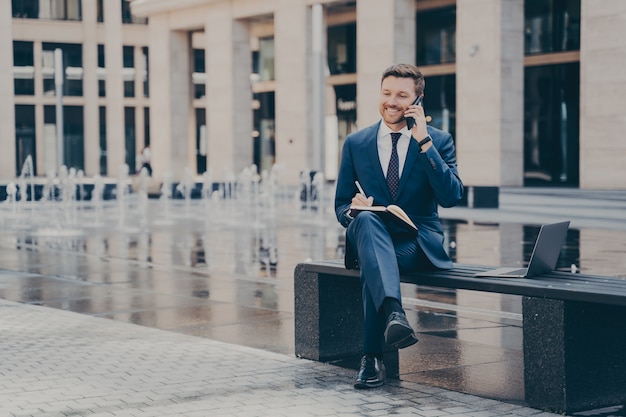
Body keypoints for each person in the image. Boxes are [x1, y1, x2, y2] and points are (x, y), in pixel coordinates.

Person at [334, 64, 464, 389]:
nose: (392, 101)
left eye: (402, 95)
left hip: (416, 242)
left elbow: (451, 197)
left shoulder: (438, 140)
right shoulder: (356, 142)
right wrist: (353, 210)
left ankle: (371, 358)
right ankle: (394, 313)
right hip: (371, 233)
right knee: (366, 224)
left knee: (373, 263)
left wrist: (424, 144)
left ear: (418, 100)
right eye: (387, 93)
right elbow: (339, 204)